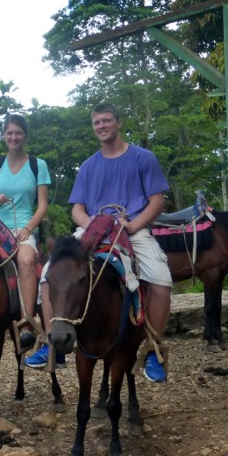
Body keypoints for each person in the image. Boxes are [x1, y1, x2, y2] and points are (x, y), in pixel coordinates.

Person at [31, 102, 172, 382]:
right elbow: (77, 210)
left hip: (133, 228)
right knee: (48, 274)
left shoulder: (143, 158)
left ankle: (153, 350)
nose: (102, 126)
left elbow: (157, 202)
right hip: (93, 229)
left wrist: (132, 225)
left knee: (161, 279)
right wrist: (93, 225)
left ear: (119, 123)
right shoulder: (88, 166)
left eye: (107, 120)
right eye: (97, 122)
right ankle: (52, 345)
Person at [0, 114, 49, 356]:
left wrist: (28, 229)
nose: (13, 137)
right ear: (4, 136)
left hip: (23, 225)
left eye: (18, 133)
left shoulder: (37, 165)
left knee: (26, 261)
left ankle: (26, 323)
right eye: (9, 133)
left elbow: (42, 205)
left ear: (25, 136)